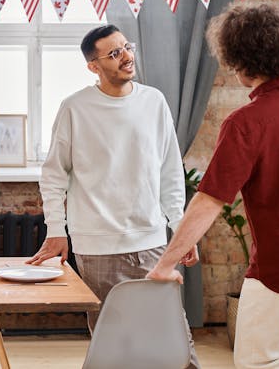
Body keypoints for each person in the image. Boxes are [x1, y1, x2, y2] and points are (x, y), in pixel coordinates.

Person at [148, 3, 279, 368]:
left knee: (257, 361)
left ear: (239, 60)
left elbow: (209, 200)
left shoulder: (246, 122)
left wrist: (166, 262)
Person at [27, 24, 200, 368]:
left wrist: (181, 229)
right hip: (97, 247)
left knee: (173, 338)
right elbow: (53, 175)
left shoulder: (154, 101)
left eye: (127, 47)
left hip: (151, 242)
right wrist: (56, 229)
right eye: (114, 53)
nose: (127, 57)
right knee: (115, 345)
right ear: (93, 66)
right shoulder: (75, 108)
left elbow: (169, 172)